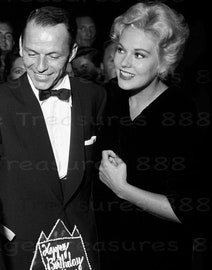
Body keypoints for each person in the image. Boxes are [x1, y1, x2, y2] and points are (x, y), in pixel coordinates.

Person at [0, 6, 106, 270]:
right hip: (23, 249)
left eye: (53, 56)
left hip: (83, 247)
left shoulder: (95, 96)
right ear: (21, 45)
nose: (40, 66)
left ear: (72, 52)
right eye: (32, 53)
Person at [95, 2, 209, 270]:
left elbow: (191, 211)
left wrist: (124, 190)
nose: (123, 62)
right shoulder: (108, 97)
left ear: (163, 63)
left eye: (139, 55)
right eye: (122, 50)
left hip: (158, 258)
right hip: (105, 255)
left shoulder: (179, 112)